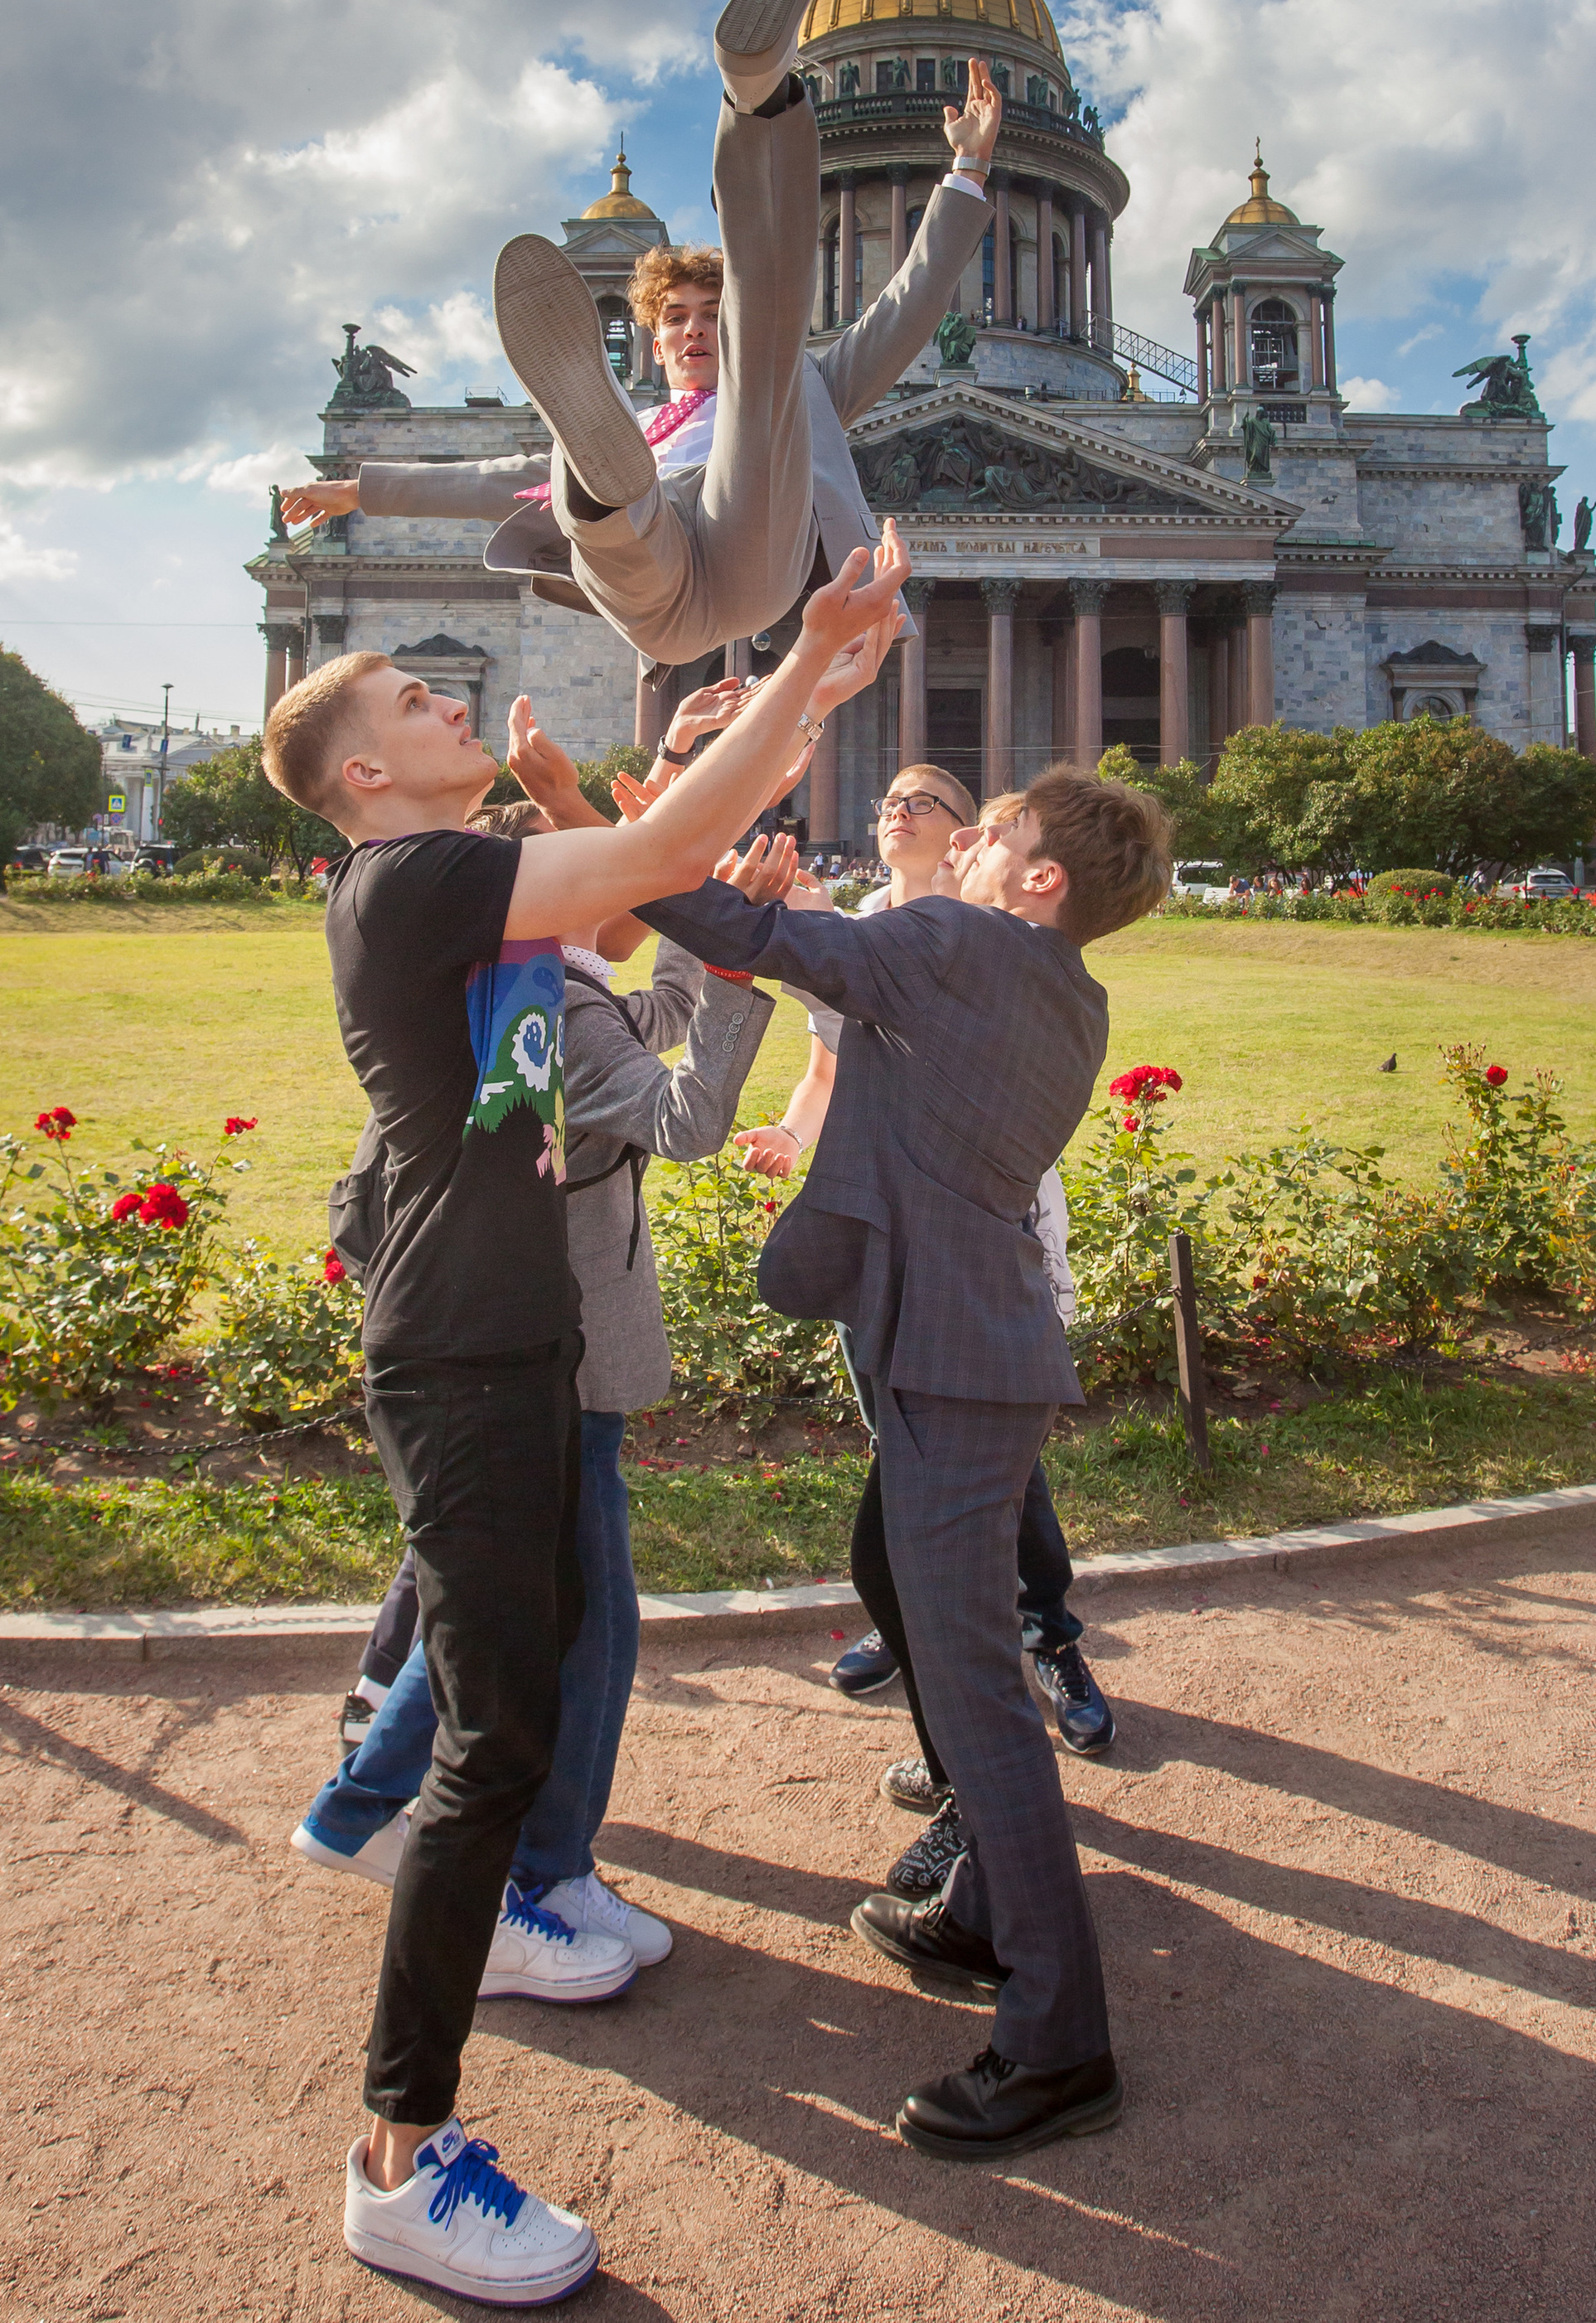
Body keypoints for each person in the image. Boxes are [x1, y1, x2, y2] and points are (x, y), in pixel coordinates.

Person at [259, 527, 904, 2304]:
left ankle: (485, 1977)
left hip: (516, 1335)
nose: (440, 688)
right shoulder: (405, 886)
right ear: (363, 772)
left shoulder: (466, 871)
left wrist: (795, 702)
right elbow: (664, 853)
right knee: (487, 1741)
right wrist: (813, 664)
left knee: (519, 1709)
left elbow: (633, 894)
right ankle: (398, 2153)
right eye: (407, 693)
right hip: (458, 1351)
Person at [636, 764, 1171, 2161]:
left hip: (949, 1352)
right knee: (967, 1665)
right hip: (976, 1340)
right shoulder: (1067, 986)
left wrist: (617, 825)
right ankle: (988, 1916)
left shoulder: (953, 939)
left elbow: (755, 939)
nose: (972, 837)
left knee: (980, 1697)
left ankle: (1060, 2047)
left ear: (1040, 875)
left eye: (998, 830)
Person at [294, 753, 776, 1973]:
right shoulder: (541, 1002)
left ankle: (536, 1857)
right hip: (544, 1346)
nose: (611, 892)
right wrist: (726, 951)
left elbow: (649, 1024)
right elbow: (685, 1115)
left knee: (551, 1618)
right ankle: (412, 1826)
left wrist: (692, 911)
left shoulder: (543, 975)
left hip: (556, 1336)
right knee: (561, 1623)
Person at [279, 0, 1003, 669]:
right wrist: (361, 488)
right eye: (677, 318)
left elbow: (910, 302)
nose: (694, 328)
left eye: (705, 315)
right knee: (591, 488)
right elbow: (498, 479)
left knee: (768, 353)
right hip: (659, 579)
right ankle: (601, 470)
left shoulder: (813, 387)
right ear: (653, 344)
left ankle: (757, 95)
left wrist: (967, 171)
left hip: (754, 542)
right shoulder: (650, 426)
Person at [733, 774, 1115, 1880]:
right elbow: (833, 1062)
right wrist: (800, 1136)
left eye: (939, 800)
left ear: (970, 838)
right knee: (932, 1507)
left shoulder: (985, 937)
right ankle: (960, 1724)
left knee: (975, 1503)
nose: (903, 808)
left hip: (981, 1255)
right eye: (892, 796)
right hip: (890, 1248)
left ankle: (1030, 1666)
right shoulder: (869, 924)